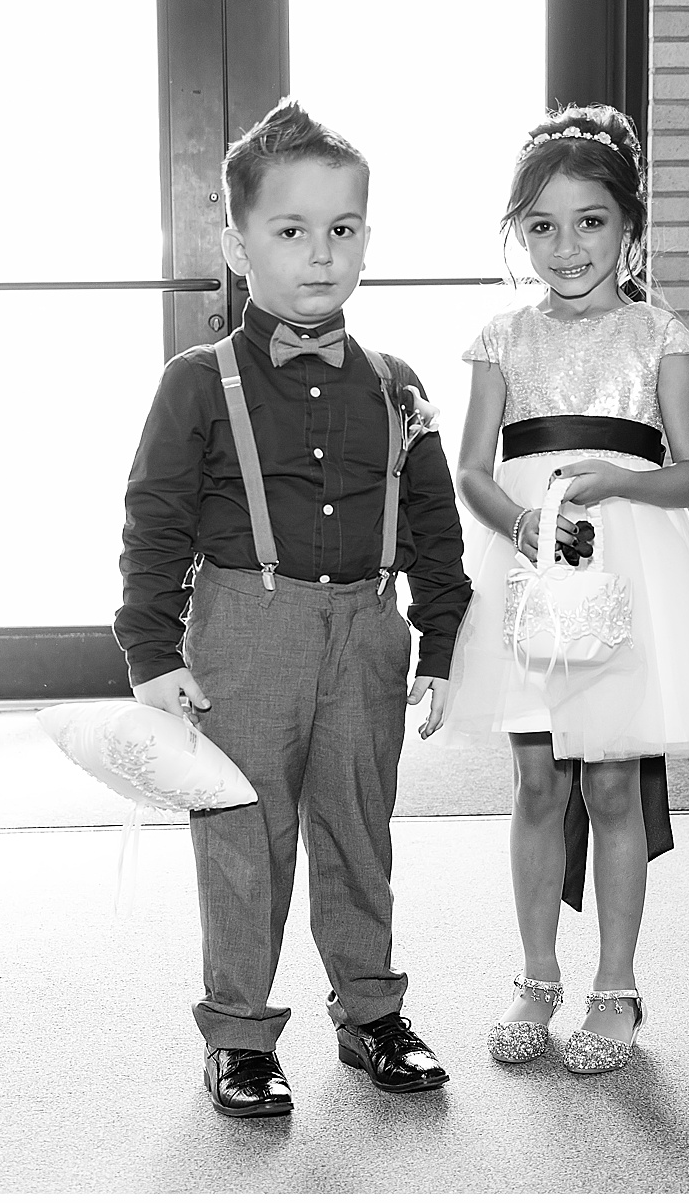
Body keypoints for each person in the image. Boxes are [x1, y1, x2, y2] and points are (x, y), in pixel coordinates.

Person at [115, 98, 472, 1118]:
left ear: (367, 235)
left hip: (366, 626)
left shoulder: (398, 386)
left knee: (360, 826)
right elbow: (156, 518)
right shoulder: (195, 384)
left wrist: (439, 639)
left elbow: (434, 526)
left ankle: (370, 1011)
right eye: (290, 230)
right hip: (244, 628)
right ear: (236, 243)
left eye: (343, 229)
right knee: (244, 833)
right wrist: (150, 648)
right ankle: (237, 1031)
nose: (321, 254)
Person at [444, 104, 689, 1076]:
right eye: (541, 225)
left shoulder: (658, 333)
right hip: (534, 562)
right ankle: (535, 975)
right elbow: (473, 470)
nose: (566, 245)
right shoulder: (503, 337)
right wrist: (525, 523)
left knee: (614, 777)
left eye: (590, 221)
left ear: (629, 229)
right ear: (516, 235)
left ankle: (613, 987)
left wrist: (620, 480)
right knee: (538, 779)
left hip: (625, 558)